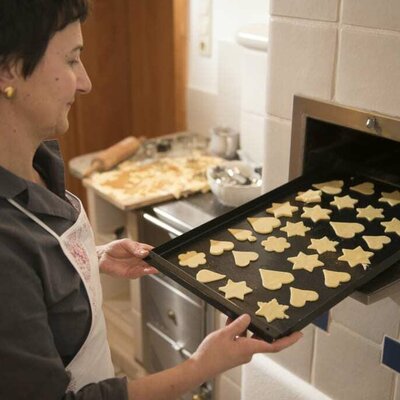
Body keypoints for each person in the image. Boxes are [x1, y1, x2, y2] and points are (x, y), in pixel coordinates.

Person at [0, 1, 302, 399]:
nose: (86, 81)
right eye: (72, 60)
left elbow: (37, 270)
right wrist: (202, 367)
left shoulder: (37, 162)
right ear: (9, 69)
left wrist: (89, 257)